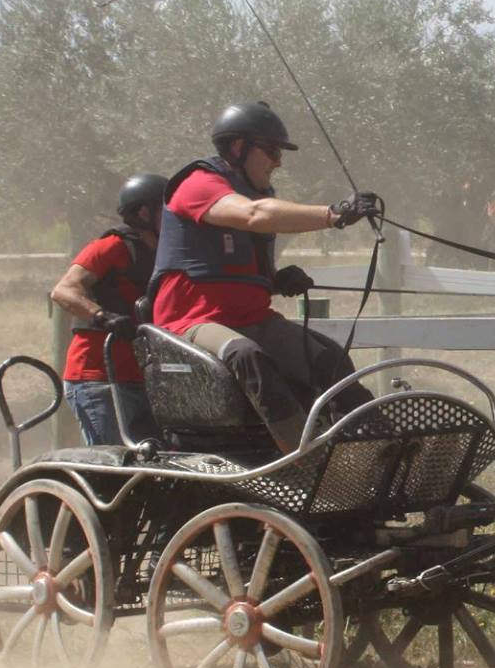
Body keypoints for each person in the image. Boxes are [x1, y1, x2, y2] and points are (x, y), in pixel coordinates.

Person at [151, 100, 383, 451]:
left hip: (251, 318)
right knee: (246, 354)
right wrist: (333, 214)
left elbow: (237, 264)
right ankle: (302, 455)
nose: (278, 162)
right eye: (272, 151)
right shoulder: (198, 184)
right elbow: (255, 215)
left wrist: (276, 280)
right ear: (238, 147)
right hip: (190, 322)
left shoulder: (254, 193)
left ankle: (377, 444)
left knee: (328, 357)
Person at [50, 173, 166, 445]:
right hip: (99, 379)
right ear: (144, 213)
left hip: (144, 379)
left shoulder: (165, 253)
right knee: (114, 459)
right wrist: (102, 316)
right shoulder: (111, 247)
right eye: (166, 210)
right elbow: (64, 290)